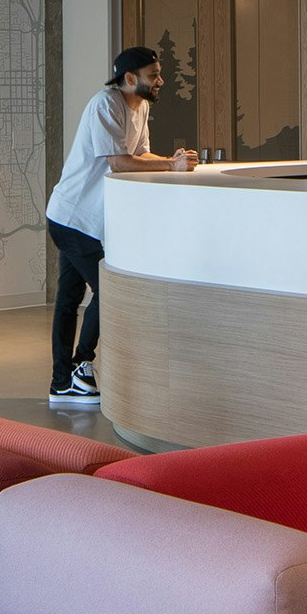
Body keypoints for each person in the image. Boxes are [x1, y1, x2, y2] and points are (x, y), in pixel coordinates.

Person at [43, 46, 196, 407]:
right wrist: (169, 168)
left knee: (70, 298)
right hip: (72, 218)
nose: (160, 81)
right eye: (153, 75)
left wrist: (171, 161)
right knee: (105, 292)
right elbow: (119, 162)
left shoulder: (140, 106)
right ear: (130, 78)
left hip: (87, 222)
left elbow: (140, 155)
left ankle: (61, 383)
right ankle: (80, 367)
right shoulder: (105, 105)